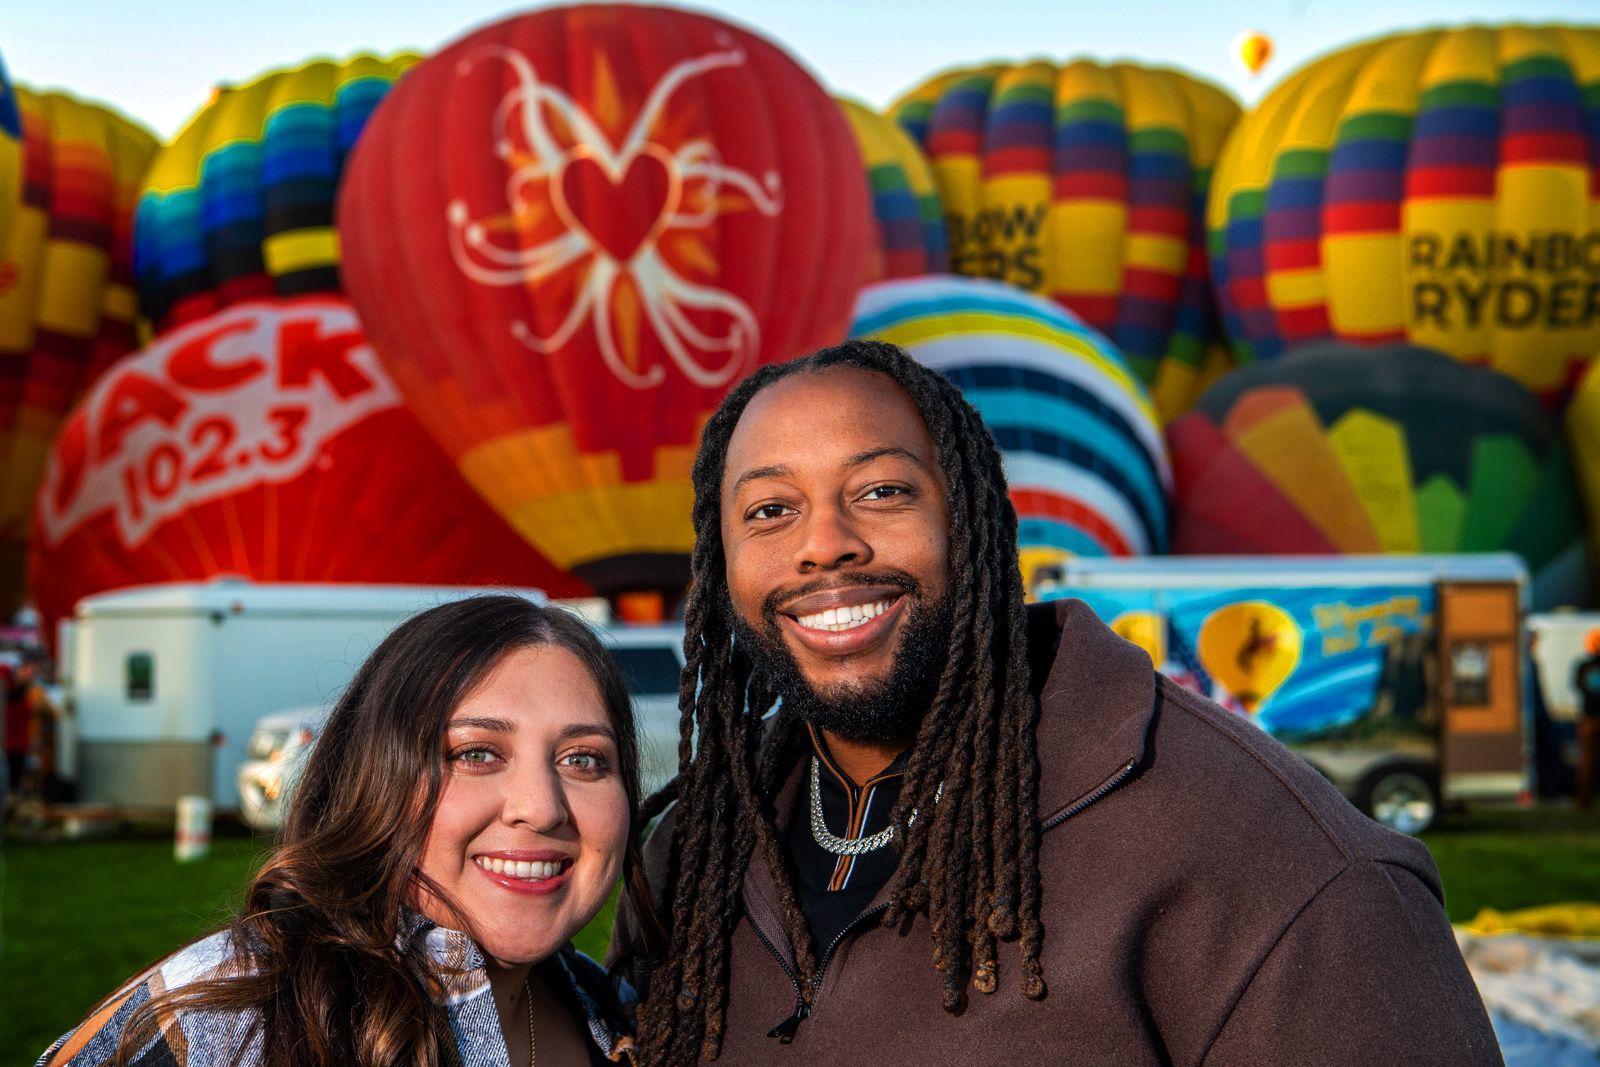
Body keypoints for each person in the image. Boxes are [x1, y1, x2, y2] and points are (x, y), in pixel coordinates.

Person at [611, 341, 1500, 1066]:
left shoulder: (1271, 861)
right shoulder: (693, 852)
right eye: (768, 510)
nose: (826, 546)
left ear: (977, 522)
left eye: (882, 491)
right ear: (719, 566)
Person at [42, 595, 661, 1067]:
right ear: (375, 777)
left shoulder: (626, 1020)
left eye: (584, 759)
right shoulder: (221, 1026)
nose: (541, 806)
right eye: (475, 753)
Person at [1572, 629, 1600, 811]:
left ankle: (1583, 802)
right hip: (1590, 719)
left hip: (1588, 719)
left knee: (1587, 761)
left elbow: (1578, 686)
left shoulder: (1583, 666)